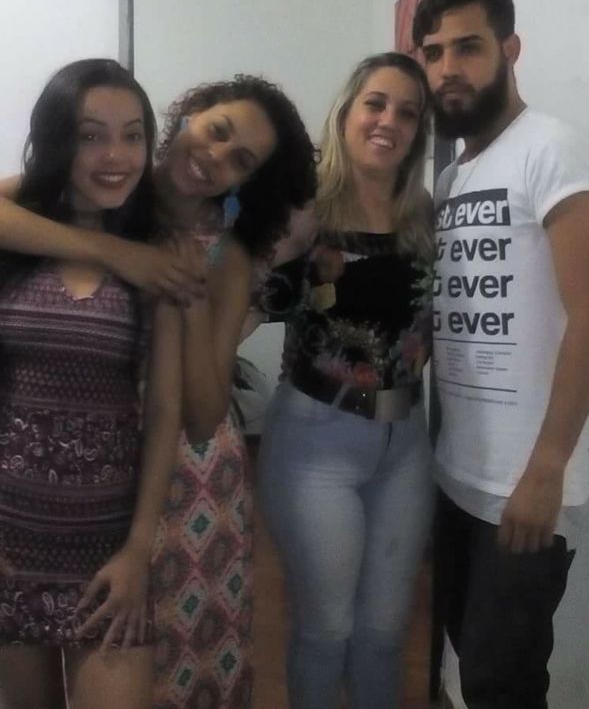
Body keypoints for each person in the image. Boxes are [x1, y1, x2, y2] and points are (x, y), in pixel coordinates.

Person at [0, 72, 317, 709]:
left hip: (187, 483)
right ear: (190, 114)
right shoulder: (105, 179)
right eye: (217, 131)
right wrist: (119, 254)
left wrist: (184, 286)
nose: (216, 157)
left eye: (240, 160)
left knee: (173, 674)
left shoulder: (226, 256)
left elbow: (200, 414)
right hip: (49, 481)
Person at [412, 0, 589, 708]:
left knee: (501, 682)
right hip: (458, 473)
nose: (448, 68)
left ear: (509, 48)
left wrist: (547, 467)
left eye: (467, 47)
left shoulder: (552, 148)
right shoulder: (453, 180)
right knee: (476, 661)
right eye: (434, 53)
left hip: (529, 482)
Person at [0, 59, 181, 709]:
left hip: (108, 553)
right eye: (90, 135)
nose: (116, 156)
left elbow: (165, 411)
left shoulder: (156, 257)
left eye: (132, 135)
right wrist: (107, 249)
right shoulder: (15, 243)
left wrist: (138, 551)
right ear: (58, 142)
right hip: (10, 546)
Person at [258, 52, 435, 709]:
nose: (390, 121)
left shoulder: (424, 216)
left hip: (406, 441)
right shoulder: (305, 211)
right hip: (316, 441)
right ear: (346, 112)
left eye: (408, 113)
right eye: (376, 104)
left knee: (385, 633)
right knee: (327, 628)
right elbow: (248, 303)